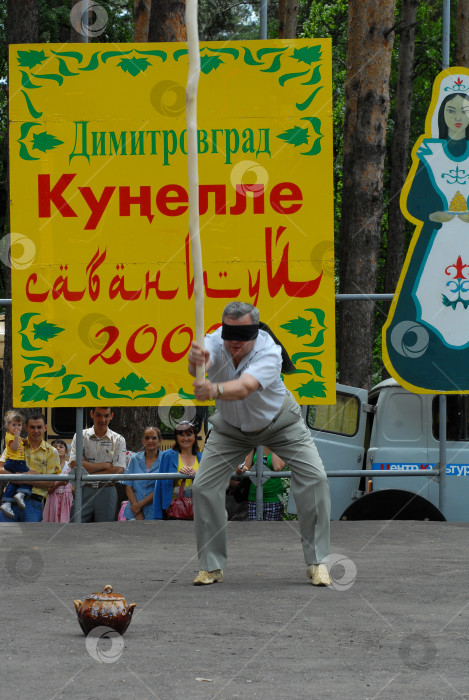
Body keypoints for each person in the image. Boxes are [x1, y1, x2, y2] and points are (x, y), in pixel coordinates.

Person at [188, 301, 331, 586]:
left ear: (255, 331)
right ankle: (211, 566)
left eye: (241, 336)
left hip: (281, 424)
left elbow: (244, 388)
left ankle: (317, 563)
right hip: (231, 429)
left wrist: (213, 389)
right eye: (229, 334)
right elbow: (197, 369)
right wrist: (195, 362)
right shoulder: (215, 341)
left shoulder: (269, 352)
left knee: (315, 477)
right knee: (203, 487)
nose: (234, 343)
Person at [384, 76, 469, 390]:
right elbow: (413, 200)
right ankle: (428, 354)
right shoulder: (431, 153)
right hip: (437, 243)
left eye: (465, 109)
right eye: (451, 110)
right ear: (442, 115)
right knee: (426, 297)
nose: (458, 116)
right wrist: (436, 213)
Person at [0, 413, 61, 522]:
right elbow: (0, 469)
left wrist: (22, 479)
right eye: (32, 427)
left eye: (39, 427)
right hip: (9, 501)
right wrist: (22, 476)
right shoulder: (16, 444)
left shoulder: (51, 451)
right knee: (5, 537)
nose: (36, 431)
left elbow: (50, 482)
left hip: (33, 502)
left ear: (45, 428)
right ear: (26, 428)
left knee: (29, 538)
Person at [69, 407, 126, 522]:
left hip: (106, 490)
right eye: (98, 415)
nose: (102, 419)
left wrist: (86, 468)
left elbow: (119, 470)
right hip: (84, 489)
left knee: (104, 533)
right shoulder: (80, 435)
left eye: (106, 415)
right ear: (91, 414)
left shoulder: (119, 439)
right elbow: (74, 464)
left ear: (111, 416)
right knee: (76, 529)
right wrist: (105, 465)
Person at [153, 421, 202, 519]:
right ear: (176, 437)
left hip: (199, 510)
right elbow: (159, 485)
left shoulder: (203, 457)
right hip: (173, 510)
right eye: (181, 435)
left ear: (195, 436)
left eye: (189, 435)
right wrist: (177, 476)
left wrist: (197, 475)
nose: (185, 438)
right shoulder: (167, 456)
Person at [121, 426, 162, 521]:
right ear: (143, 441)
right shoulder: (135, 459)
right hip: (133, 513)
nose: (150, 441)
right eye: (147, 438)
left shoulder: (164, 460)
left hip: (154, 512)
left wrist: (139, 506)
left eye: (154, 438)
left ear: (160, 440)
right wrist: (137, 511)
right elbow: (128, 486)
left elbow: (161, 488)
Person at [238, 447, 286, 521]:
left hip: (274, 498)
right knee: (255, 530)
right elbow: (247, 466)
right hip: (254, 497)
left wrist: (273, 443)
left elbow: (277, 467)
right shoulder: (255, 445)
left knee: (270, 531)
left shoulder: (280, 445)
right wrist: (241, 468)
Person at [0, 411, 32, 518]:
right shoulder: (9, 436)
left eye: (19, 425)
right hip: (14, 462)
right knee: (29, 476)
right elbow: (14, 447)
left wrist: (23, 440)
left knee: (13, 482)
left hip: (17, 462)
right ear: (8, 426)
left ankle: (7, 502)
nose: (17, 427)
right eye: (14, 425)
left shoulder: (16, 437)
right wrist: (17, 437)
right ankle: (21, 493)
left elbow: (20, 444)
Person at [43, 440, 73, 523]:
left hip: (67, 500)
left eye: (61, 446)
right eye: (55, 447)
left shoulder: (70, 467)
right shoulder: (48, 467)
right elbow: (48, 490)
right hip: (53, 499)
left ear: (66, 452)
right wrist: (59, 483)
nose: (58, 448)